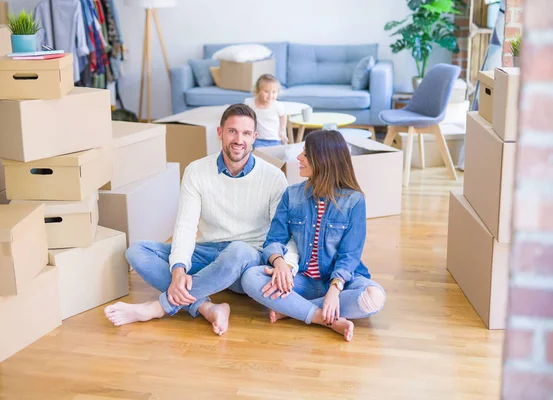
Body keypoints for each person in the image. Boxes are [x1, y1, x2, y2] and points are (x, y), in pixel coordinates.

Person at [105, 104, 298, 335]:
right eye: (232, 131)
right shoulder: (196, 171)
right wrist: (178, 269)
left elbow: (285, 232)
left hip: (247, 259)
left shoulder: (274, 177)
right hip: (207, 252)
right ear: (220, 133)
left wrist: (287, 265)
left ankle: (159, 307)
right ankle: (207, 307)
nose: (239, 139)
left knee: (238, 250)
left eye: (246, 133)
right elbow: (186, 226)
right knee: (136, 251)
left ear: (255, 137)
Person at [241, 130, 386, 341]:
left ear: (324, 159)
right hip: (301, 281)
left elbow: (350, 255)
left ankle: (293, 309)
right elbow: (273, 240)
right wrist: (279, 262)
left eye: (306, 154)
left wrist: (335, 290)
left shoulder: (354, 201)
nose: (299, 158)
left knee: (375, 297)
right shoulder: (292, 195)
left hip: (339, 281)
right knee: (250, 277)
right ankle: (320, 316)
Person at [244, 74, 288, 148]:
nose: (270, 95)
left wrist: (282, 130)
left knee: (275, 157)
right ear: (257, 91)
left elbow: (283, 116)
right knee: (260, 156)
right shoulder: (250, 103)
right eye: (266, 91)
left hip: (275, 139)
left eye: (274, 92)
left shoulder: (278, 106)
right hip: (258, 139)